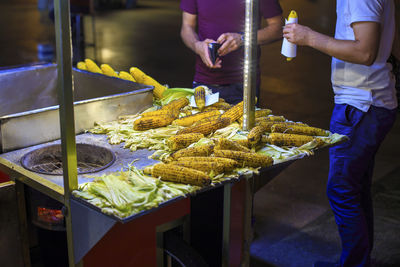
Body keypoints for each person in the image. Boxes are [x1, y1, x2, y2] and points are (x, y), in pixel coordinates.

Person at [283, 1, 398, 267]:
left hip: (360, 105)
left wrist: (308, 37)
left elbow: (365, 51)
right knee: (355, 187)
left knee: (342, 188)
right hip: (372, 102)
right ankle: (359, 260)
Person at [180, 0, 283, 105]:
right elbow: (187, 26)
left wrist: (243, 38)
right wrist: (196, 45)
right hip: (204, 82)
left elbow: (278, 28)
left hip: (245, 84)